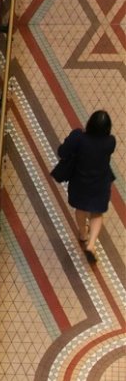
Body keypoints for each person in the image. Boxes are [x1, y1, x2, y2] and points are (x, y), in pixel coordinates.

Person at [55, 111, 116, 266]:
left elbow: (62, 152)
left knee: (81, 209)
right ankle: (91, 244)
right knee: (97, 213)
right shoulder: (110, 142)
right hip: (100, 183)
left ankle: (83, 234)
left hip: (80, 182)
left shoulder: (78, 137)